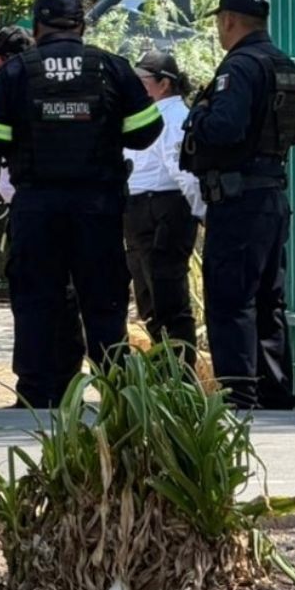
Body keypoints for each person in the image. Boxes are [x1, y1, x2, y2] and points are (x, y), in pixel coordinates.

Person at [0, 0, 163, 408]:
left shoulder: (18, 70)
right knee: (103, 300)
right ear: (81, 24)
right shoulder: (110, 67)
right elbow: (147, 129)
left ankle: (37, 396)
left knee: (37, 299)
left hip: (37, 206)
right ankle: (117, 396)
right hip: (98, 205)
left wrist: (25, 137)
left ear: (37, 26)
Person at [181, 0, 295, 410]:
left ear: (228, 21)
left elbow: (223, 128)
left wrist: (197, 113)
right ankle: (275, 395)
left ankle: (240, 397)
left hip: (238, 200)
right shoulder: (284, 64)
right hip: (272, 195)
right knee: (269, 301)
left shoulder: (239, 67)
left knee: (230, 300)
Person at [0, 26, 89, 392]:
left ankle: (39, 384)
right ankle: (65, 379)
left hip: (35, 206)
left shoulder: (15, 82)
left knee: (35, 297)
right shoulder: (85, 76)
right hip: (82, 206)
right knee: (69, 296)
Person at [124, 50, 204, 365]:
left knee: (168, 295)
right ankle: (163, 372)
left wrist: (201, 211)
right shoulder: (144, 115)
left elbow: (183, 170)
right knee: (149, 297)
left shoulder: (175, 117)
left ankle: (180, 375)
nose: (137, 86)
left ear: (164, 84)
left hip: (166, 208)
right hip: (139, 208)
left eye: (143, 80)